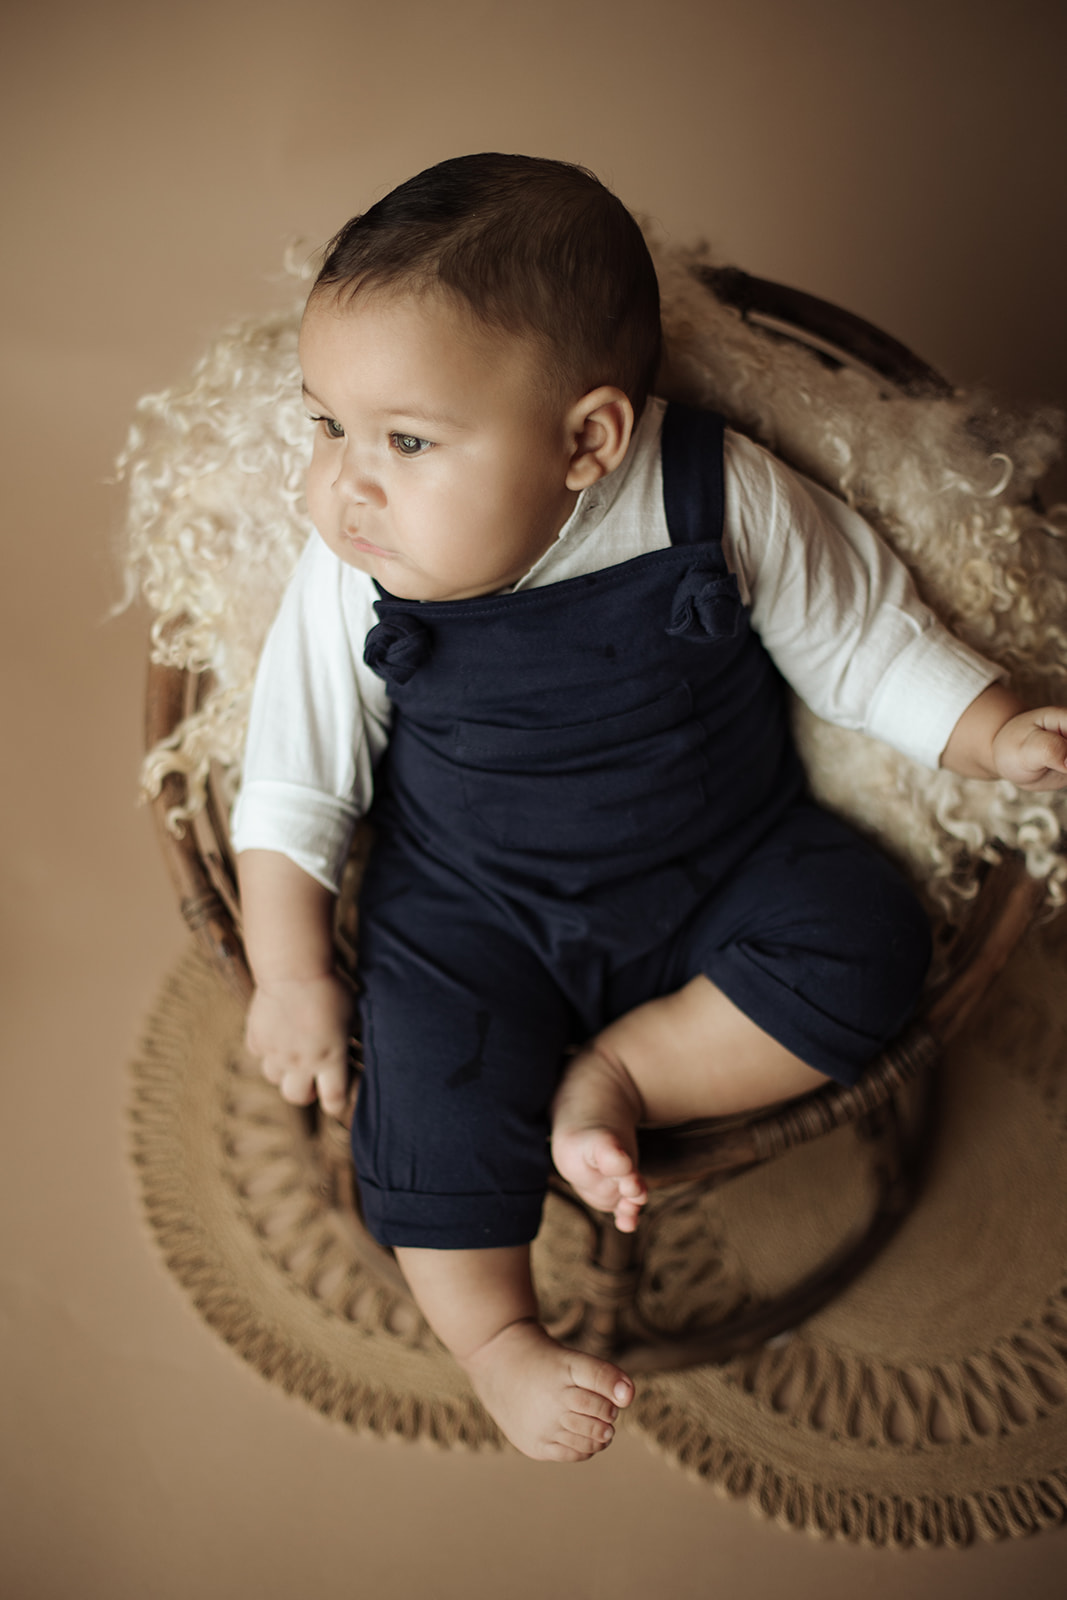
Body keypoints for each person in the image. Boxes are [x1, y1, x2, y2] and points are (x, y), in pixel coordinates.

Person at [232, 153, 1067, 1463]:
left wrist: (986, 726)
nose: (346, 483)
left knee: (867, 941)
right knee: (428, 1091)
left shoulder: (712, 494)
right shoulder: (356, 574)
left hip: (724, 862)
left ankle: (620, 1074)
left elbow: (857, 636)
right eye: (325, 423)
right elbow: (295, 779)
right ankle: (497, 1341)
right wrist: (290, 972)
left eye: (404, 440)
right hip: (474, 905)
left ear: (589, 440)